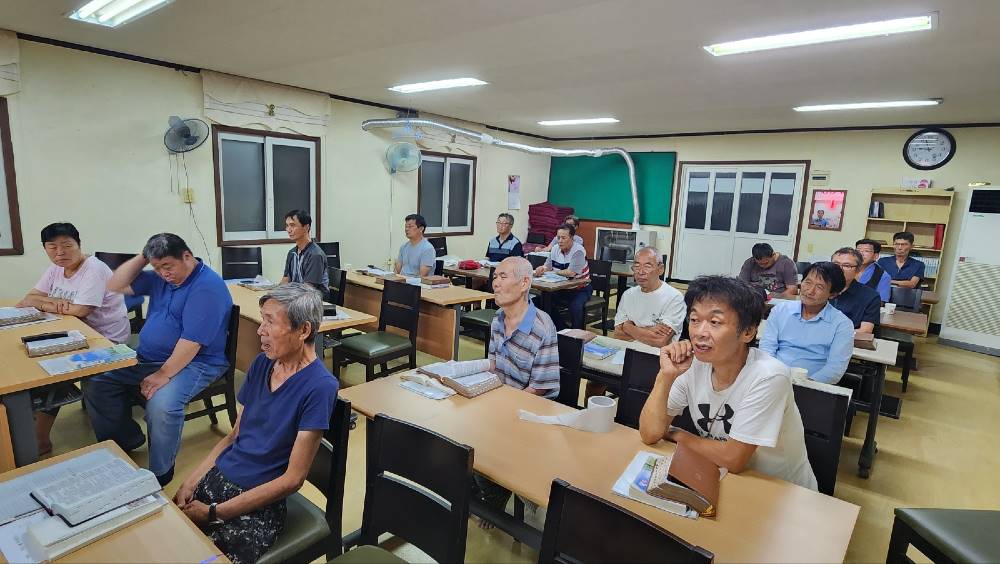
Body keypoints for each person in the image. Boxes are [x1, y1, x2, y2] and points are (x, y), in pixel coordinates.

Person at [173, 284, 338, 564]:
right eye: (262, 319)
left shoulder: (319, 387)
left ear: (303, 330)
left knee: (207, 556)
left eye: (270, 321)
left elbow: (292, 479)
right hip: (222, 477)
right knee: (172, 534)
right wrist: (191, 481)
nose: (260, 330)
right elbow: (233, 437)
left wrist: (214, 513)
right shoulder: (263, 364)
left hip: (258, 501)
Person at [637, 276, 817, 490]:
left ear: (748, 332)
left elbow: (733, 458)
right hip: (721, 475)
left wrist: (676, 434)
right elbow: (650, 433)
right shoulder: (693, 364)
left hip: (780, 488)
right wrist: (665, 376)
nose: (699, 332)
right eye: (694, 319)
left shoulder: (769, 376)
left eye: (715, 322)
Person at [83, 233, 233, 485]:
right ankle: (127, 440)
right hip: (149, 357)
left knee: (162, 405)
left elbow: (192, 343)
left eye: (168, 266)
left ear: (187, 256)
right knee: (96, 379)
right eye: (157, 267)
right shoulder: (161, 279)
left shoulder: (207, 287)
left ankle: (160, 473)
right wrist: (144, 256)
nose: (164, 273)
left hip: (198, 362)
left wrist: (162, 375)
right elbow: (115, 284)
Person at [17, 222, 130, 455]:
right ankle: (34, 433)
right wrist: (53, 303)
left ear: (79, 245)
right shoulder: (56, 268)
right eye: (52, 247)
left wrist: (45, 303)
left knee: (52, 369)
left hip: (106, 340)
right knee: (31, 358)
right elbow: (29, 297)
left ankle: (39, 438)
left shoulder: (93, 269)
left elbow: (81, 311)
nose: (60, 253)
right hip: (74, 332)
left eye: (67, 245)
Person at [478, 256, 559, 528]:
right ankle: (487, 488)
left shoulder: (542, 327)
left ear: (524, 283)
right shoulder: (498, 319)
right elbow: (494, 366)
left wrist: (503, 410)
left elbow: (539, 389)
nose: (495, 283)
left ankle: (496, 493)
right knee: (462, 431)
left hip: (531, 410)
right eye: (495, 277)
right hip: (502, 399)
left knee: (485, 438)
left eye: (503, 277)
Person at [759, 262, 854, 385]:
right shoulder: (780, 310)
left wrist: (805, 385)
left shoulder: (842, 324)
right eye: (808, 282)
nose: (810, 291)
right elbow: (767, 348)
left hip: (811, 385)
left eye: (819, 287)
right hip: (773, 380)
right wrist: (772, 377)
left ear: (832, 294)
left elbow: (835, 369)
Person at [613, 247, 686, 347]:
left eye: (647, 266)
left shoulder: (674, 297)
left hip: (657, 354)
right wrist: (650, 330)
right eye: (637, 266)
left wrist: (627, 327)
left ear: (660, 269)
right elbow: (618, 334)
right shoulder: (628, 295)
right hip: (626, 351)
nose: (641, 272)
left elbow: (660, 341)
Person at [534, 223, 592, 330]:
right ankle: (560, 329)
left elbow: (571, 273)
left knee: (575, 307)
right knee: (540, 301)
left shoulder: (578, 251)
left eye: (563, 238)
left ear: (572, 238)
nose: (560, 241)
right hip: (561, 289)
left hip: (580, 289)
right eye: (558, 237)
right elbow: (547, 266)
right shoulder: (555, 249)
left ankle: (576, 335)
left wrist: (553, 272)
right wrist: (541, 269)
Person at [830, 247, 880, 334]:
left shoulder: (870, 296)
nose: (839, 269)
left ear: (858, 270)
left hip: (848, 339)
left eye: (847, 266)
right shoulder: (820, 289)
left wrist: (831, 334)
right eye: (836, 264)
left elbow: (865, 331)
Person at [279, 209, 328, 294]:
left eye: (292, 225)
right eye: (287, 226)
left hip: (313, 298)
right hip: (296, 296)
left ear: (306, 227)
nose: (288, 230)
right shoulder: (292, 253)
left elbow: (308, 289)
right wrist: (274, 293)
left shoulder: (315, 255)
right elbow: (285, 280)